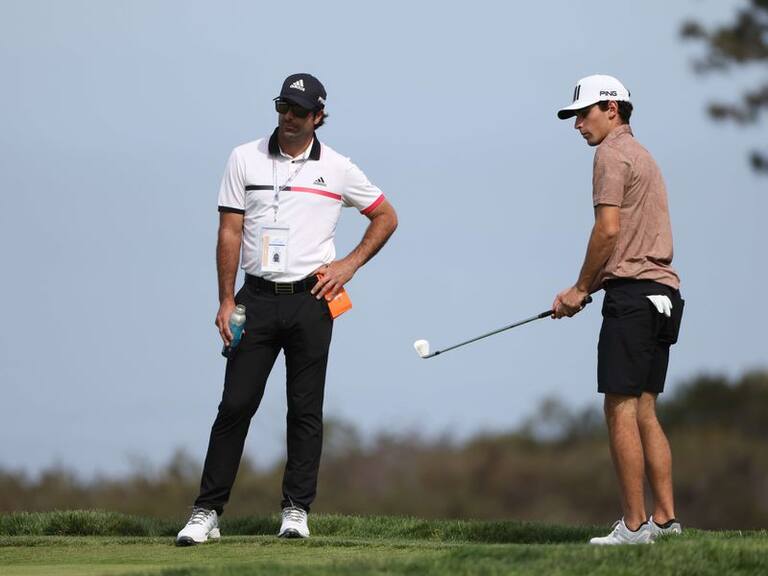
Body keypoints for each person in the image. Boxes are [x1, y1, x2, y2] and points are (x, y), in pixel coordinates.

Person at [176, 73, 398, 545]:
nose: (288, 117)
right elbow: (230, 231)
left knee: (304, 410)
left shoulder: (337, 168)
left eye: (299, 111)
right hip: (254, 300)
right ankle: (206, 512)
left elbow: (385, 215)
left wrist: (349, 265)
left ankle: (296, 510)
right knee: (235, 404)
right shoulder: (244, 157)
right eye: (283, 107)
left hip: (312, 300)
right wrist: (225, 297)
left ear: (319, 117)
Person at [552, 74, 684, 545]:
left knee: (620, 409)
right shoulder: (643, 153)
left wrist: (580, 288)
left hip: (631, 296)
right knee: (646, 409)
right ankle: (666, 522)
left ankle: (633, 527)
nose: (577, 126)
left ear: (612, 108)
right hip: (665, 296)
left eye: (583, 114)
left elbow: (607, 231)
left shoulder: (610, 154)